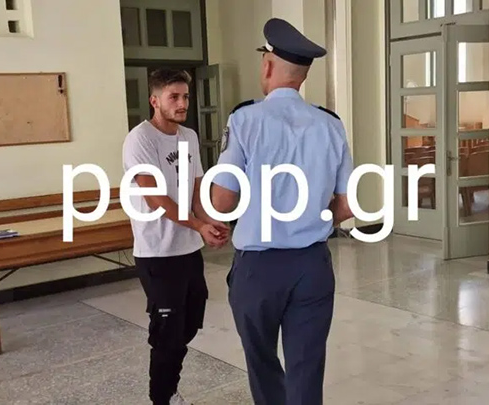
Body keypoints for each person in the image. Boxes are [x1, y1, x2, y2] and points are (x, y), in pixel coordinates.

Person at [208, 18, 354, 405]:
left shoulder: (244, 119)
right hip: (312, 266)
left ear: (268, 65)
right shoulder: (331, 125)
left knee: (262, 365)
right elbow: (347, 205)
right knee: (307, 367)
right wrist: (314, 218)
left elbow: (222, 202)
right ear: (303, 75)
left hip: (259, 268)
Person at [122, 68, 230, 405]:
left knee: (189, 323)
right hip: (157, 253)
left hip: (188, 251)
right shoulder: (140, 139)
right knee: (167, 331)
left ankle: (168, 385)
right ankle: (162, 397)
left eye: (185, 96)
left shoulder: (190, 137)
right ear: (155, 100)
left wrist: (210, 221)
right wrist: (198, 226)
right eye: (174, 97)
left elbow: (196, 191)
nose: (182, 103)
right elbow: (156, 198)